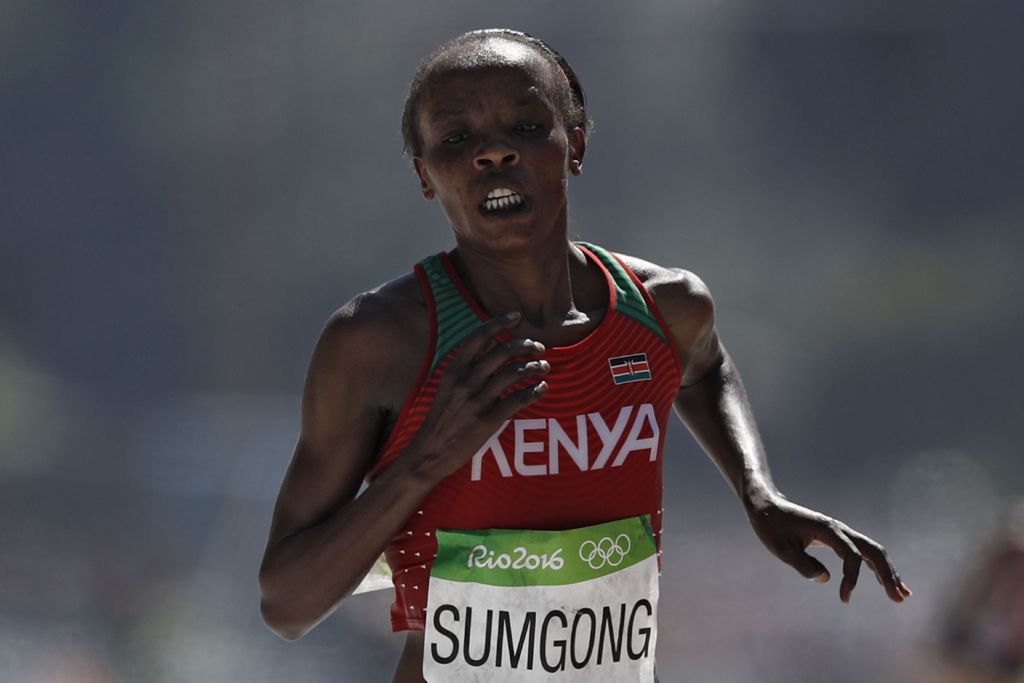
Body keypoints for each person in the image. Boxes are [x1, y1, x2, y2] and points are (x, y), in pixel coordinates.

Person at [258, 28, 912, 682]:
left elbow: (706, 365)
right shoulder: (381, 342)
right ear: (425, 174)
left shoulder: (663, 308)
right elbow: (287, 605)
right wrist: (424, 460)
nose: (493, 152)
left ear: (575, 144)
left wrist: (756, 490)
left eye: (526, 126)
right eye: (457, 138)